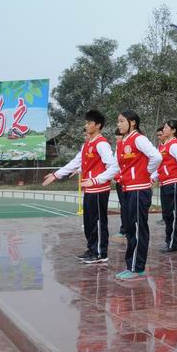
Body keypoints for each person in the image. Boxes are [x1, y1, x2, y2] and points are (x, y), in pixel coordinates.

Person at [43, 109, 119, 264]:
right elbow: (75, 163)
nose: (86, 125)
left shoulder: (102, 144)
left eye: (89, 123)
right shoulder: (87, 145)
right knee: (89, 221)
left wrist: (97, 180)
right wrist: (57, 174)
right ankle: (92, 249)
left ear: (98, 125)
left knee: (98, 222)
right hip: (89, 189)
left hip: (98, 189)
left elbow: (113, 166)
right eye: (85, 122)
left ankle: (100, 253)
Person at [114, 110, 162, 281]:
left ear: (132, 122)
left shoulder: (138, 139)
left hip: (139, 189)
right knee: (129, 228)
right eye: (117, 121)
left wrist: (145, 172)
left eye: (121, 121)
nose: (118, 124)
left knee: (137, 228)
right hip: (127, 189)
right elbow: (116, 166)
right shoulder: (122, 142)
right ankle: (132, 264)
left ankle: (136, 267)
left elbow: (156, 156)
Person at [152, 119, 177, 253]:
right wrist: (152, 177)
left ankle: (174, 243)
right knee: (167, 214)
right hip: (165, 183)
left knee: (173, 214)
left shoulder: (174, 145)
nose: (164, 130)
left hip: (173, 183)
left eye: (167, 127)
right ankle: (169, 240)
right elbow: (161, 166)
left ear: (173, 131)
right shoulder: (163, 145)